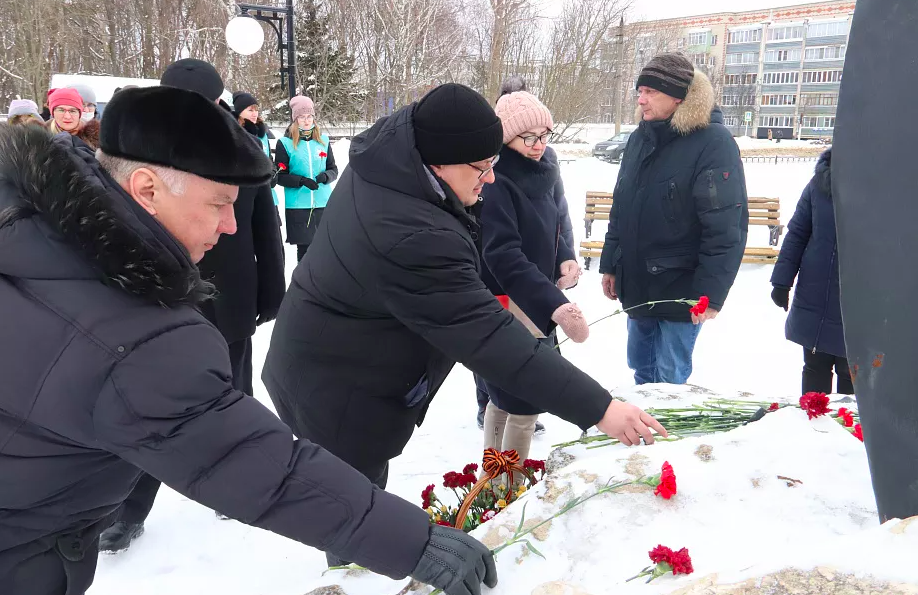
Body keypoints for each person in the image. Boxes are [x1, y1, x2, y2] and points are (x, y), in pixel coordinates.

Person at [0, 86, 497, 595]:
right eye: (219, 203)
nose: (231, 224)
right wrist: (413, 543)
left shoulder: (27, 219)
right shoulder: (136, 338)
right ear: (147, 189)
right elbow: (248, 461)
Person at [264, 82, 667, 566]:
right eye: (482, 168)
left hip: (329, 353)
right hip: (339, 390)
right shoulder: (408, 233)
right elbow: (491, 338)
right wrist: (601, 408)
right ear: (438, 163)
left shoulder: (396, 154)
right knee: (356, 521)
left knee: (357, 506)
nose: (492, 180)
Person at [98, 59, 287, 552]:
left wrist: (272, 291)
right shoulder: (141, 147)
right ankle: (130, 509)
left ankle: (236, 485)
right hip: (155, 294)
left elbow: (264, 224)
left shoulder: (238, 144)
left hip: (231, 296)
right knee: (148, 406)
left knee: (234, 396)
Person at [598, 52, 748, 386]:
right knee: (641, 369)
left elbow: (725, 227)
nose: (641, 99)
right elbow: (621, 206)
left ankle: (667, 438)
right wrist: (611, 264)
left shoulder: (712, 142)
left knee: (669, 379)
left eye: (651, 92)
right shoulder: (640, 138)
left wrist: (710, 293)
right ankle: (641, 436)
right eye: (640, 91)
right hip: (637, 282)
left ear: (678, 97)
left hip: (682, 288)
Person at [477, 90, 586, 473]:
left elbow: (556, 219)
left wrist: (565, 256)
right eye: (529, 138)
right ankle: (503, 487)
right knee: (518, 399)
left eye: (545, 136)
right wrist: (552, 303)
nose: (540, 145)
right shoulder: (496, 178)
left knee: (510, 398)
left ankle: (493, 483)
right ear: (507, 138)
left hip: (538, 293)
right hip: (510, 298)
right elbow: (502, 252)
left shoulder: (545, 168)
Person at [770, 149, 851, 395]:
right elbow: (797, 233)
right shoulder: (819, 184)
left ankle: (851, 432)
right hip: (816, 296)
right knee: (815, 370)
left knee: (852, 375)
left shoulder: (886, 188)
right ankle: (814, 429)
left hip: (860, 301)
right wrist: (782, 281)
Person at [274, 95, 338, 261]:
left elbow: (333, 169)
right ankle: (304, 286)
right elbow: (279, 177)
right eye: (302, 117)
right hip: (298, 206)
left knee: (325, 250)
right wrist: (301, 181)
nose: (306, 120)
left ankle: (324, 286)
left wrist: (325, 176)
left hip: (323, 204)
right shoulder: (285, 143)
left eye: (309, 116)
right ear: (295, 119)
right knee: (306, 252)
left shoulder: (323, 141)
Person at [233, 91, 280, 207]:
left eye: (256, 110)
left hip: (269, 196)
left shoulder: (263, 134)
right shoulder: (235, 134)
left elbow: (269, 159)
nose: (255, 114)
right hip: (245, 198)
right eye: (250, 110)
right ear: (239, 112)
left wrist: (273, 173)